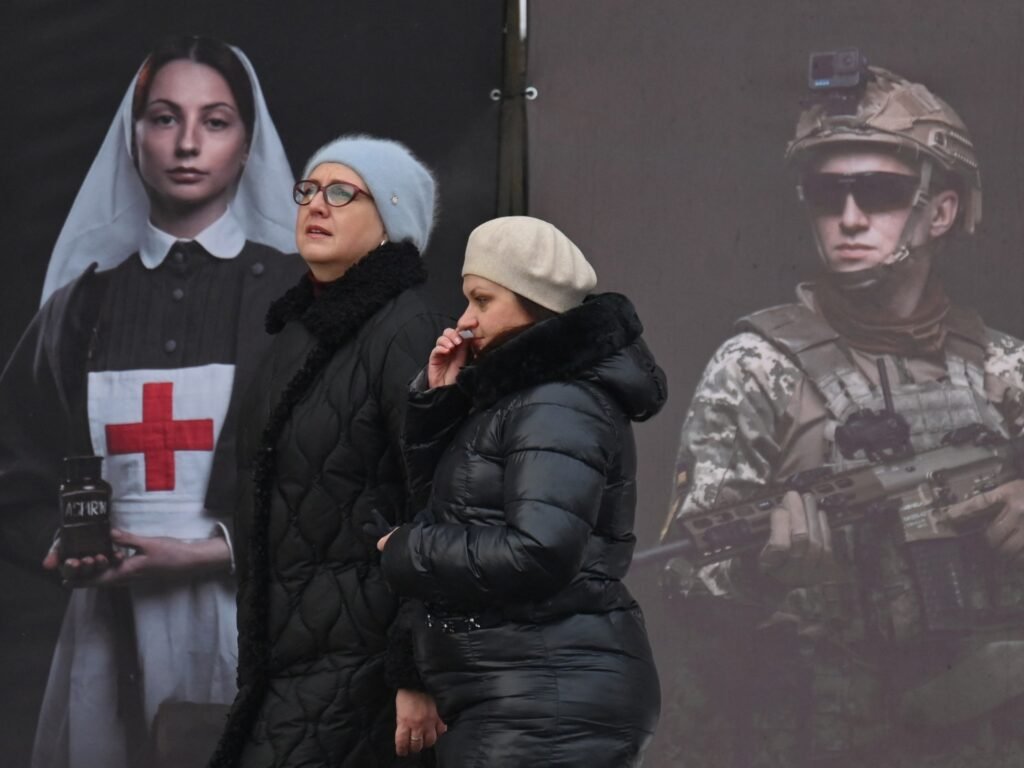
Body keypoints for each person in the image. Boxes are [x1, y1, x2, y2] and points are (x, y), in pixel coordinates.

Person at [662, 60, 1024, 767]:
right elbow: (684, 580)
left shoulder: (1003, 371)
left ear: (941, 211)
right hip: (819, 737)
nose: (849, 218)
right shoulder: (756, 368)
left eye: (880, 192)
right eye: (829, 193)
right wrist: (763, 570)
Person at [0, 35, 303, 768]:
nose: (188, 144)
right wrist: (63, 547)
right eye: (165, 118)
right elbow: (12, 462)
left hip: (249, 614)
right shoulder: (80, 307)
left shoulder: (299, 299)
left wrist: (215, 552)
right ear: (132, 136)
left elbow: (351, 474)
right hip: (109, 621)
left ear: (247, 143)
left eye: (215, 121)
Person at [377, 215, 665, 768]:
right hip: (527, 689)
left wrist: (407, 549)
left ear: (536, 303)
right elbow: (456, 509)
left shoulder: (558, 402)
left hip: (547, 696)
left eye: (482, 300)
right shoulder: (523, 398)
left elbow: (539, 551)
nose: (464, 320)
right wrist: (442, 403)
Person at [208, 135, 449, 768]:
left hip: (364, 673)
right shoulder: (296, 334)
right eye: (309, 189)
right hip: (288, 663)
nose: (317, 204)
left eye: (343, 192)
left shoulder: (406, 329)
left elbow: (440, 506)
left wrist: (416, 669)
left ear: (391, 218)